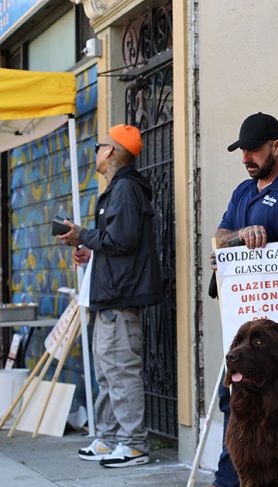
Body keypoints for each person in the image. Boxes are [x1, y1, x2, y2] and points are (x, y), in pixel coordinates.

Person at [182, 112, 278, 487]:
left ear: (277, 145)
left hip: (272, 326)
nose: (246, 158)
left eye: (253, 149)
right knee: (232, 395)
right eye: (242, 151)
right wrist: (238, 237)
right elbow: (219, 238)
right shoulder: (243, 192)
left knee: (261, 399)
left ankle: (240, 484)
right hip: (241, 316)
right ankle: (232, 479)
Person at [58, 124, 162, 468]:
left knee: (120, 372)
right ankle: (111, 437)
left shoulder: (126, 190)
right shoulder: (120, 190)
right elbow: (119, 243)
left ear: (112, 151)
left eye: (99, 145)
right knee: (108, 372)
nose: (95, 152)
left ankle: (133, 444)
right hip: (111, 295)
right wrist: (90, 249)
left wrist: (84, 236)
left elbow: (122, 239)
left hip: (119, 297)